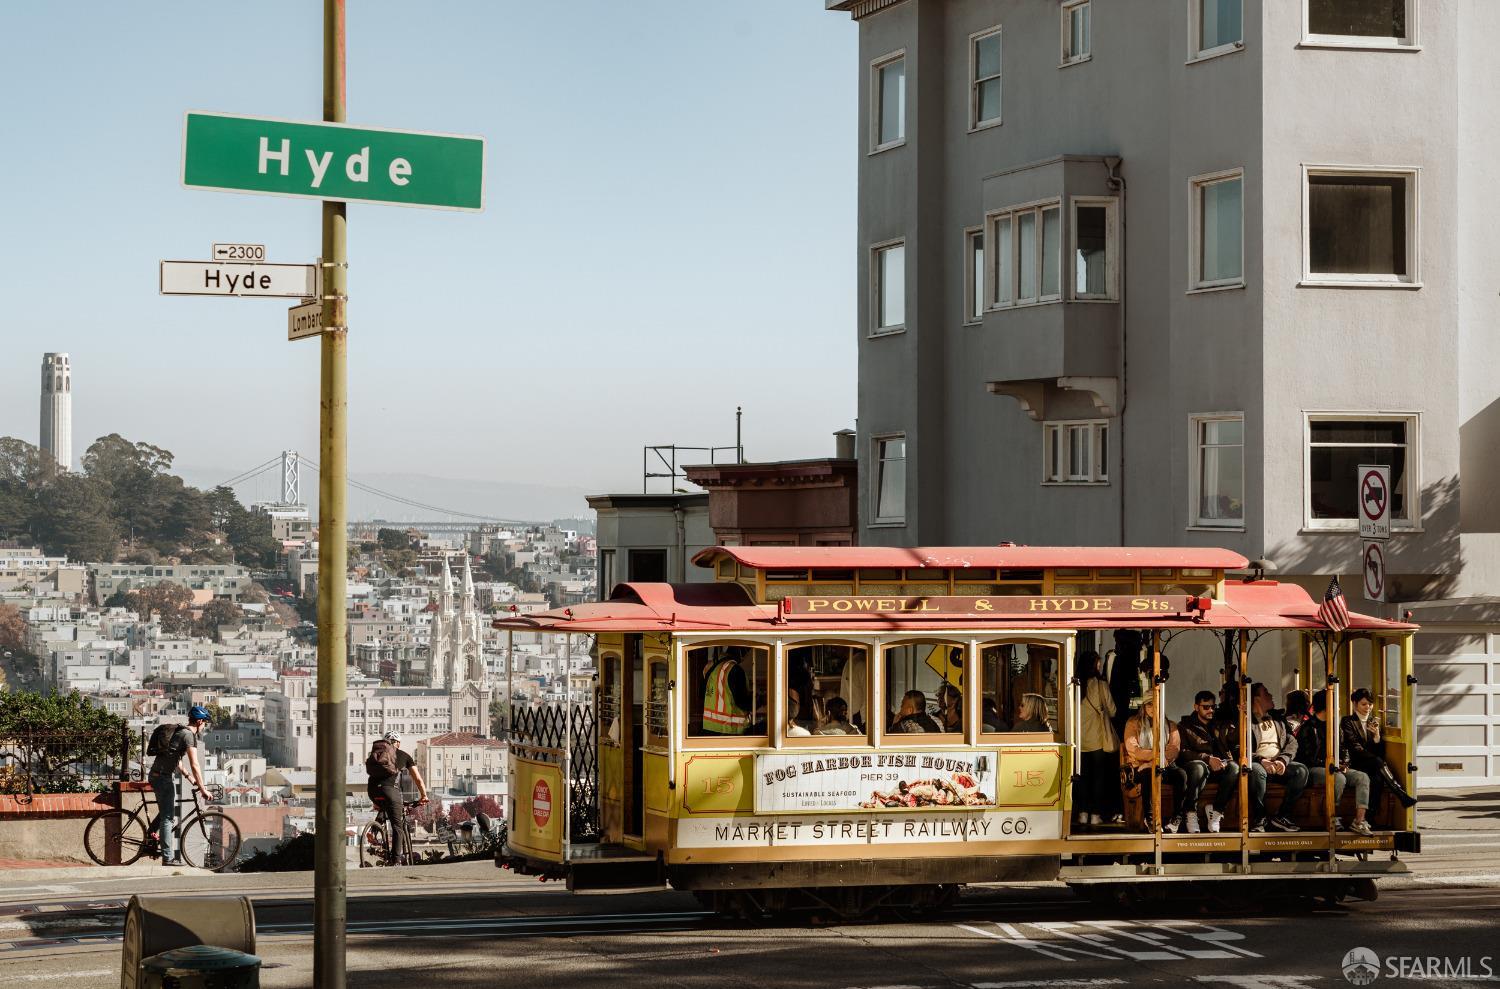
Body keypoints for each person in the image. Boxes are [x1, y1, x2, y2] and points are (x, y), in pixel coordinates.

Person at [1297, 692, 1374, 836]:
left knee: (1362, 777)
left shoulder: (1334, 726)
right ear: (1326, 706)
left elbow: (1343, 748)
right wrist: (1331, 765)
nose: (1338, 708)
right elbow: (1307, 757)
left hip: (1334, 767)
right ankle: (1332, 817)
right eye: (1335, 704)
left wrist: (1344, 762)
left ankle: (1359, 821)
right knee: (1338, 778)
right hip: (1314, 768)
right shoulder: (1308, 727)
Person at [147, 706, 213, 866]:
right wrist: (203, 789)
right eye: (205, 723)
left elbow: (177, 761)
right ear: (199, 721)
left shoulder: (180, 732)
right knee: (168, 817)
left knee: (166, 811)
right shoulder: (189, 735)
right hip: (163, 778)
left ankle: (150, 834)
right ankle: (168, 858)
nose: (205, 727)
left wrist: (190, 779)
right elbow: (195, 764)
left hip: (158, 775)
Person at [1341, 687, 1418, 813]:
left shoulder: (1373, 721)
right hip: (1355, 761)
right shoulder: (1348, 721)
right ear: (1355, 704)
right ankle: (1401, 794)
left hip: (1371, 763)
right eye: (1364, 704)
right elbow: (1354, 746)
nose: (1368, 707)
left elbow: (1380, 752)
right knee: (1378, 762)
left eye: (1370, 704)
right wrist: (1374, 758)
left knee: (1377, 778)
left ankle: (1371, 816)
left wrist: (1377, 737)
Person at [1247, 683, 1309, 832]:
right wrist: (1261, 760)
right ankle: (1259, 818)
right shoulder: (1247, 720)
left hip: (1278, 762)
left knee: (1301, 770)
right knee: (1256, 771)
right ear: (1256, 699)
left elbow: (1292, 741)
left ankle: (1281, 816)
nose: (1270, 695)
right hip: (1258, 762)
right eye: (1266, 692)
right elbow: (1240, 747)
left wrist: (1283, 760)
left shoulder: (1278, 718)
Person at [1177, 690, 1241, 834]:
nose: (1210, 710)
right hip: (1197, 767)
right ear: (1196, 707)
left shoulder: (1219, 723)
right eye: (1206, 707)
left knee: (1234, 768)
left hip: (1219, 767)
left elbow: (1234, 737)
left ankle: (1216, 812)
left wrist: (1241, 715)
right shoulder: (1185, 725)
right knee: (1198, 767)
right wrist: (1207, 759)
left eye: (1213, 706)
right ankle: (1190, 813)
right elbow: (1182, 753)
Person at [1122, 693, 1187, 832]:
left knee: (1181, 775)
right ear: (1144, 706)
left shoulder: (1170, 725)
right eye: (1149, 704)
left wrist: (1159, 760)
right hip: (1140, 767)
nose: (1153, 707)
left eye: (1156, 703)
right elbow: (1134, 750)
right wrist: (1156, 757)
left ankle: (1176, 818)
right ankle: (1150, 818)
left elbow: (1174, 748)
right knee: (1148, 774)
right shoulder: (1133, 723)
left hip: (1165, 765)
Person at [366, 731, 429, 865]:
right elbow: (417, 779)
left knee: (385, 807)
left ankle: (374, 831)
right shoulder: (404, 755)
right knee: (397, 826)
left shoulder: (377, 754)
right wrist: (424, 795)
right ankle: (396, 860)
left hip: (372, 790)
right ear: (398, 743)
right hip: (389, 790)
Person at [1077, 651, 1120, 830]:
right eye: (1098, 663)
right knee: (1098, 778)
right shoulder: (1100, 684)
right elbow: (1112, 710)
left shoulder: (1075, 683)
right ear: (1094, 664)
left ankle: (1082, 813)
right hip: (1098, 740)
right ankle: (1095, 815)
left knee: (1082, 777)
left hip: (1079, 740)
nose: (1100, 666)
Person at [701, 647, 752, 735]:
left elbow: (702, 695)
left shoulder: (714, 668)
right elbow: (741, 701)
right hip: (730, 728)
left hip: (710, 727)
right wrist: (757, 702)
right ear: (740, 654)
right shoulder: (736, 670)